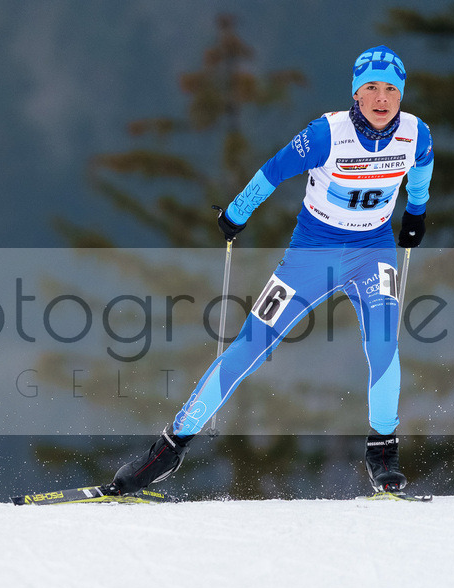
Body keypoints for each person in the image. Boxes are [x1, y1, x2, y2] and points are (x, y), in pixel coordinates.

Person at [103, 45, 434, 496]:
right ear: (356, 94)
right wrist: (236, 214)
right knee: (250, 345)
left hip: (372, 252)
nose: (381, 98)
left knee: (384, 345)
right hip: (311, 254)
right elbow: (272, 172)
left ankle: (382, 453)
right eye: (371, 88)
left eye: (391, 89)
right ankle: (168, 450)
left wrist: (416, 214)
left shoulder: (416, 134)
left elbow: (422, 171)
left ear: (401, 94)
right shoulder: (326, 135)